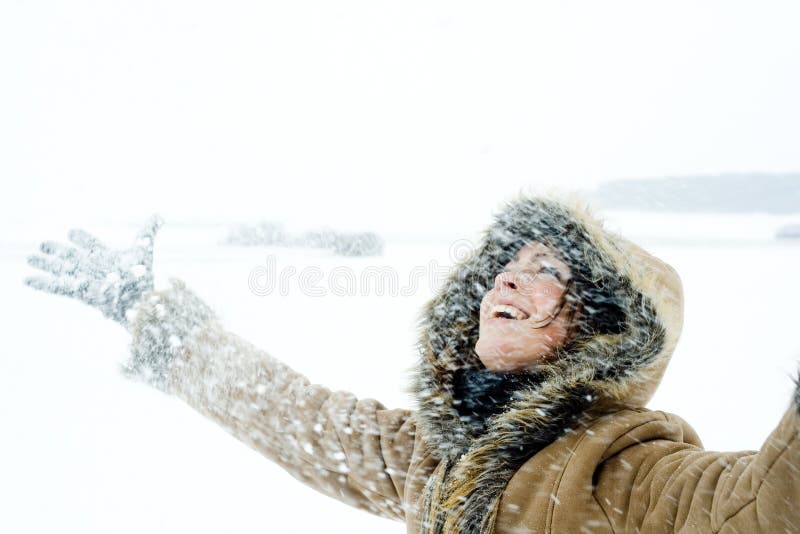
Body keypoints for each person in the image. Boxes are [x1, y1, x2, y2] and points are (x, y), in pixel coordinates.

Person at [24, 193, 800, 533]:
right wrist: (154, 318)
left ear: (599, 332)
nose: (508, 279)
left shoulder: (625, 474)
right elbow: (298, 416)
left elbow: (764, 511)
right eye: (510, 263)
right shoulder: (437, 457)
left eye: (550, 273)